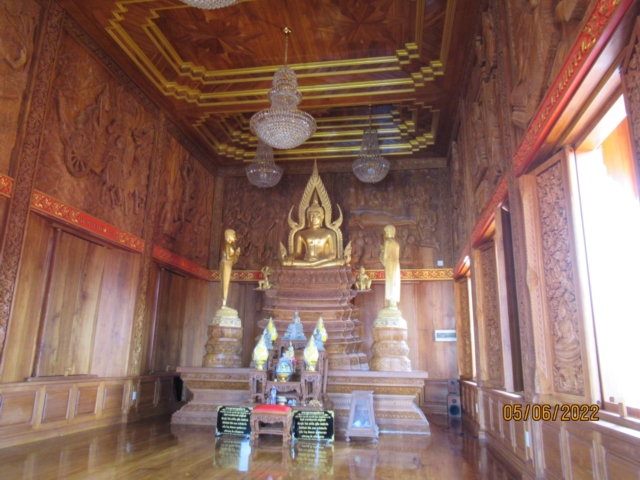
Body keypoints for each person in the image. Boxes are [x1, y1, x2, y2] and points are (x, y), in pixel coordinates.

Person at [380, 225, 401, 308]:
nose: (383, 235)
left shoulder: (387, 242)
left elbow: (385, 256)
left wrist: (381, 252)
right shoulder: (396, 243)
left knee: (390, 281)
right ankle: (394, 303)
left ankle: (390, 303)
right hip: (396, 264)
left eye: (384, 232)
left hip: (389, 263)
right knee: (395, 282)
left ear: (387, 232)